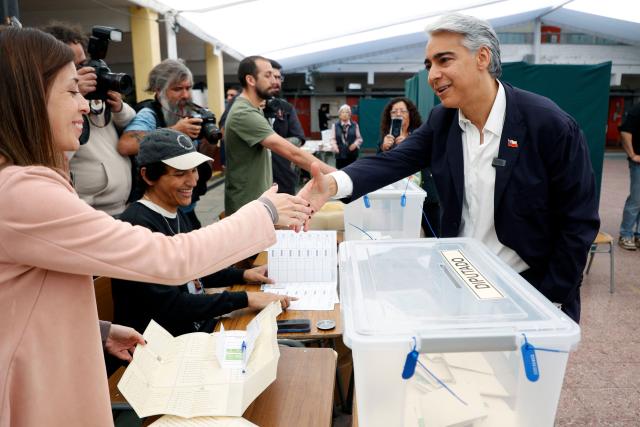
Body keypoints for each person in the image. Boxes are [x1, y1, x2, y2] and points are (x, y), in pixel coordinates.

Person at [0, 26, 310, 426]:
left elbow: (21, 299)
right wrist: (263, 212)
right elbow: (170, 259)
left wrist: (98, 329)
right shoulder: (22, 192)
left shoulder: (19, 186)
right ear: (29, 99)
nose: (84, 106)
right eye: (71, 91)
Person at [300, 13, 599, 323]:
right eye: (429, 64)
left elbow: (578, 222)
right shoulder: (443, 121)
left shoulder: (548, 124)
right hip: (462, 285)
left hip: (529, 291)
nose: (433, 74)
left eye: (444, 60)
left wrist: (550, 300)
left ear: (482, 57)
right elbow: (392, 161)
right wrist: (333, 185)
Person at [112, 128, 286, 336]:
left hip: (197, 328)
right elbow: (172, 305)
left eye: (194, 170)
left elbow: (196, 268)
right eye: (180, 174)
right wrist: (245, 299)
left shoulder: (175, 212)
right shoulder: (136, 227)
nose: (193, 181)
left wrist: (244, 274)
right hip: (169, 346)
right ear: (148, 176)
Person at [42, 22, 135, 216]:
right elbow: (58, 155)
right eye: (74, 67)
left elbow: (130, 123)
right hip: (88, 210)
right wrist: (73, 94)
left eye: (84, 63)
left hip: (122, 207)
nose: (85, 71)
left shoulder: (95, 96)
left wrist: (118, 107)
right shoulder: (48, 104)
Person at [223, 55, 335, 216]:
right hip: (247, 207)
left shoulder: (255, 109)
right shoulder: (243, 113)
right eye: (267, 75)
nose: (274, 81)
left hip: (258, 202)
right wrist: (337, 174)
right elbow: (292, 152)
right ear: (251, 80)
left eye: (276, 76)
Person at [118, 59, 213, 227]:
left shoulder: (188, 111)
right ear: (158, 90)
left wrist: (208, 137)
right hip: (157, 210)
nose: (185, 95)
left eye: (188, 88)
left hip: (185, 207)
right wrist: (176, 130)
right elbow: (126, 145)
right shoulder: (149, 113)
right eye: (177, 89)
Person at [378, 97, 440, 237]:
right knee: (399, 234)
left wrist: (410, 144)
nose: (398, 114)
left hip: (425, 194)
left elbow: (432, 156)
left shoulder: (421, 133)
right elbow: (379, 164)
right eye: (394, 112)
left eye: (402, 111)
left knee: (435, 233)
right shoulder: (386, 136)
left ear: (410, 114)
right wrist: (384, 148)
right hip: (397, 196)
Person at [265, 59, 306, 195]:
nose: (276, 81)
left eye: (278, 77)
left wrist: (272, 143)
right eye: (271, 76)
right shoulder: (246, 106)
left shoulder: (286, 108)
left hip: (283, 174)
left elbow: (299, 138)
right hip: (256, 177)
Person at [618, 102, 640, 250]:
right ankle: (625, 234)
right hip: (638, 164)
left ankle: (638, 235)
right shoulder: (637, 110)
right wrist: (632, 154)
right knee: (636, 199)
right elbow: (625, 131)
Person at [331, 104, 363, 169]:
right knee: (340, 172)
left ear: (350, 115)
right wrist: (335, 147)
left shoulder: (355, 125)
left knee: (352, 171)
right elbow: (332, 139)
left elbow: (359, 139)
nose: (345, 114)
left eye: (347, 112)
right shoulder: (335, 125)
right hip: (340, 154)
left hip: (352, 154)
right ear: (339, 115)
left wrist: (355, 144)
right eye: (343, 112)